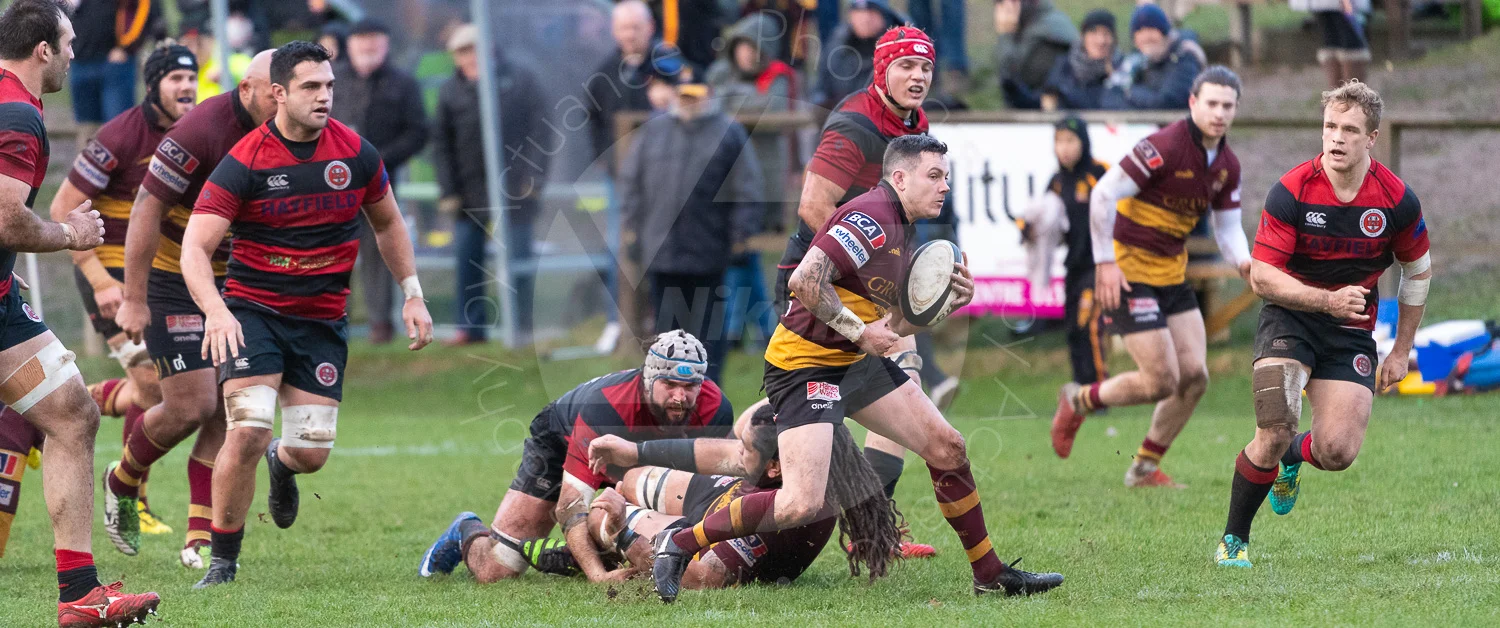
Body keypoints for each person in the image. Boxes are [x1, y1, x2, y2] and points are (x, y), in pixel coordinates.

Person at [652, 135, 1066, 602]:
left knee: (948, 448)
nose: (944, 186)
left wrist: (946, 303)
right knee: (800, 503)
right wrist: (860, 333)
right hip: (804, 368)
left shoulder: (903, 229)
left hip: (854, 364)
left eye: (946, 177)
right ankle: (679, 542)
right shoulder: (871, 217)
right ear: (900, 178)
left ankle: (989, 574)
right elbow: (805, 280)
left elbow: (894, 323)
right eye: (934, 176)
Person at [183, 41, 434, 588]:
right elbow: (195, 249)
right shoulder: (245, 160)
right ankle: (224, 563)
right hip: (253, 312)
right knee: (246, 430)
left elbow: (389, 225)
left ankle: (283, 461)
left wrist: (412, 293)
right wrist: (217, 311)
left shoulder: (357, 154)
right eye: (311, 88)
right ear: (279, 94)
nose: (325, 97)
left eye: (329, 87)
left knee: (310, 454)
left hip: (321, 320)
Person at [1216, 81, 1430, 567]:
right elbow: (1263, 277)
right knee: (1272, 426)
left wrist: (1399, 351)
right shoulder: (1292, 189)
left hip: (1350, 327)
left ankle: (1296, 455)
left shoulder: (1395, 199)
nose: (1336, 138)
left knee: (1337, 451)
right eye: (1330, 126)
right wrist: (1325, 300)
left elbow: (1418, 272)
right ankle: (1234, 542)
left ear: (1371, 138)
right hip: (1289, 317)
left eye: (1349, 130)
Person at [0, 1, 164, 624]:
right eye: (68, 42)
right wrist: (69, 233)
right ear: (43, 50)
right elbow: (8, 217)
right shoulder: (16, 111)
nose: (76, 52)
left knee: (72, 413)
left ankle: (80, 596)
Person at [107, 49, 277, 569]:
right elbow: (146, 208)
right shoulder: (201, 129)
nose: (289, 99)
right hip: (175, 277)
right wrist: (132, 297)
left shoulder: (298, 133)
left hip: (244, 284)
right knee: (190, 405)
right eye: (278, 89)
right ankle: (123, 480)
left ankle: (199, 533)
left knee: (233, 408)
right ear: (247, 90)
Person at [773, 27, 947, 531]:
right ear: (881, 70)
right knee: (815, 397)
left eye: (926, 68)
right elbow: (813, 206)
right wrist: (871, 274)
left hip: (859, 286)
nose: (917, 77)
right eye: (905, 67)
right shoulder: (855, 125)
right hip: (815, 282)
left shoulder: (915, 124)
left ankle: (871, 527)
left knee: (898, 373)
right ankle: (869, 527)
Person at [1051, 67, 1252, 488]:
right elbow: (1104, 194)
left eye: (1227, 105)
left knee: (1195, 377)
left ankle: (1143, 468)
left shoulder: (1227, 164)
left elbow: (1229, 228)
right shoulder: (1162, 146)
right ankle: (1078, 399)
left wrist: (1246, 264)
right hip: (1127, 271)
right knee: (1162, 381)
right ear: (1193, 103)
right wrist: (1105, 263)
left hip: (1169, 272)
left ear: (1235, 110)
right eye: (1211, 103)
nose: (1219, 113)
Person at [416, 331, 735, 584]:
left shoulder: (715, 409)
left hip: (640, 462)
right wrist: (599, 577)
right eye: (670, 384)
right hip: (559, 436)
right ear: (648, 379)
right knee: (498, 569)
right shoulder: (606, 409)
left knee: (660, 510)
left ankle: (578, 554)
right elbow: (570, 506)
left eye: (690, 385)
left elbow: (708, 492)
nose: (680, 397)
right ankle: (465, 530)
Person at [50, 41, 197, 551]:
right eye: (175, 79)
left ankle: (43, 411)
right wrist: (100, 281)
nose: (187, 87)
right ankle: (130, 495)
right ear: (153, 84)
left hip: (159, 279)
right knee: (154, 384)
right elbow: (62, 207)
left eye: (191, 78)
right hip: (113, 275)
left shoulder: (195, 135)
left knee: (166, 390)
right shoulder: (122, 134)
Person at [579, 403, 836, 588]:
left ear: (773, 467)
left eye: (745, 449)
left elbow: (699, 579)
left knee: (600, 514)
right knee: (632, 479)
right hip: (730, 493)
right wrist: (637, 451)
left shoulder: (779, 514)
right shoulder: (798, 455)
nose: (737, 452)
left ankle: (603, 545)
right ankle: (600, 547)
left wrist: (622, 532)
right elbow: (719, 451)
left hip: (720, 528)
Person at [621, 75, 763, 384]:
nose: (689, 100)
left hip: (708, 251)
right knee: (665, 330)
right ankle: (666, 391)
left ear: (709, 94)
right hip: (661, 252)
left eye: (695, 94)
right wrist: (631, 231)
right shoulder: (653, 132)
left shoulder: (729, 133)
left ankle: (708, 393)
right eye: (683, 94)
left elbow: (746, 188)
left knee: (709, 330)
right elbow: (632, 185)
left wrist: (740, 236)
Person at [432, 24, 549, 346]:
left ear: (490, 47)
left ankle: (523, 326)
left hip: (516, 189)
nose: (469, 57)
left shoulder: (520, 81)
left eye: (473, 49)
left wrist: (535, 178)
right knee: (468, 262)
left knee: (519, 259)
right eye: (461, 52)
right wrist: (449, 190)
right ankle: (471, 328)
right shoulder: (449, 91)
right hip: (468, 192)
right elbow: (441, 144)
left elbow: (541, 130)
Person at [330, 18, 428, 344]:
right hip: (333, 184)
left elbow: (417, 131)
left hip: (380, 183)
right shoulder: (333, 80)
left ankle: (380, 325)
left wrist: (378, 161)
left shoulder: (402, 83)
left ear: (386, 44)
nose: (368, 47)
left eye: (375, 40)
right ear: (350, 45)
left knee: (380, 252)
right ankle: (332, 321)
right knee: (333, 250)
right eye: (362, 41)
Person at [706, 12, 795, 348]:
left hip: (764, 182)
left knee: (747, 253)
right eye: (741, 46)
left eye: (753, 46)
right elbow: (711, 107)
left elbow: (770, 110)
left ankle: (744, 330)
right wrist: (743, 102)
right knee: (740, 254)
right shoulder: (719, 73)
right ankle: (757, 330)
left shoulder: (778, 77)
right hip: (725, 181)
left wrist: (731, 99)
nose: (747, 53)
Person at [1024, 116, 1111, 389]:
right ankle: (1079, 387)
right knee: (1073, 328)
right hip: (1073, 266)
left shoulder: (1101, 174)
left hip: (1099, 266)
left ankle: (1098, 391)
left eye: (1070, 141)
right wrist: (1028, 229)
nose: (1064, 148)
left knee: (1090, 326)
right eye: (1058, 141)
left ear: (1083, 143)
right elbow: (1046, 222)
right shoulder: (1057, 182)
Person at [68, 0, 161, 141]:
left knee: (118, 127)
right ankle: (87, 162)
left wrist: (127, 47)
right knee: (86, 128)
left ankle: (121, 162)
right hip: (80, 60)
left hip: (114, 63)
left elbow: (145, 6)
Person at [1100, 4, 1204, 110]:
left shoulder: (1183, 56)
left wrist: (1129, 92)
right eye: (1140, 31)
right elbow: (1109, 98)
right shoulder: (1136, 62)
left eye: (1151, 29)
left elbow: (1169, 102)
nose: (1146, 37)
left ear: (1165, 33)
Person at [811, 0, 902, 114]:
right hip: (842, 122)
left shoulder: (900, 47)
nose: (865, 19)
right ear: (851, 16)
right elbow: (821, 89)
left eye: (872, 12)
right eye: (859, 12)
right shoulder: (836, 45)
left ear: (884, 16)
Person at [993, 0, 1077, 109]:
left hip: (1046, 109)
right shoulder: (1033, 22)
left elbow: (1010, 76)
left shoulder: (1046, 30)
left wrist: (1006, 34)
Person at [1042, 9, 1121, 111]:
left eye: (1106, 33)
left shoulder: (1123, 68)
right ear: (1083, 36)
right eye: (1094, 32)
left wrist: (1115, 81)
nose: (1101, 40)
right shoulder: (1064, 67)